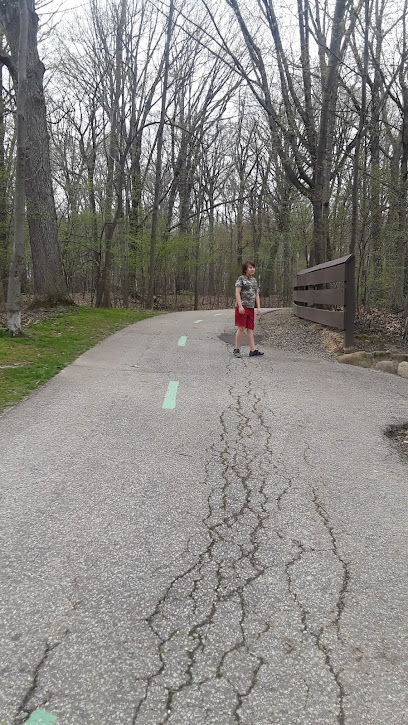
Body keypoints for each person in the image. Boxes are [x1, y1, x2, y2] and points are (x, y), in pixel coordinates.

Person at [233, 261, 264, 358]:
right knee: (241, 328)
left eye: (253, 267)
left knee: (250, 329)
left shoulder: (254, 280)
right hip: (242, 307)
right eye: (250, 267)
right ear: (245, 269)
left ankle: (252, 350)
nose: (253, 269)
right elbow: (237, 293)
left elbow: (257, 294)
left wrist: (258, 307)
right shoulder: (241, 279)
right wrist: (240, 306)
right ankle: (237, 349)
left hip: (251, 308)